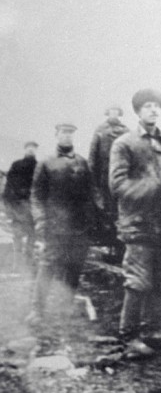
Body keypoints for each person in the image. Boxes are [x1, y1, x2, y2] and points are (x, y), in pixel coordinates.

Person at [109, 88, 161, 358]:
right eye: (148, 107)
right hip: (139, 223)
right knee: (138, 281)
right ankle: (129, 338)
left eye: (157, 106)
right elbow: (118, 184)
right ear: (138, 111)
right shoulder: (125, 143)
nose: (154, 110)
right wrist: (152, 188)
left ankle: (151, 332)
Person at [29, 123, 94, 325]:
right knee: (47, 266)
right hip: (54, 226)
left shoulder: (82, 163)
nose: (67, 136)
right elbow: (37, 196)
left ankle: (66, 308)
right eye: (63, 133)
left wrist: (91, 220)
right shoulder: (46, 162)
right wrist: (40, 220)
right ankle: (37, 310)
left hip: (78, 227)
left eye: (70, 133)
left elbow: (90, 195)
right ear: (56, 135)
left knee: (75, 267)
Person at [88, 104, 129, 246]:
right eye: (111, 111)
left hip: (121, 174)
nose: (114, 114)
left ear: (119, 113)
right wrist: (92, 174)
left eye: (116, 111)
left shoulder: (126, 131)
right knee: (104, 206)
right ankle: (105, 239)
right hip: (103, 175)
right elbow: (93, 154)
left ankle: (119, 241)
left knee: (120, 206)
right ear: (108, 113)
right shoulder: (100, 130)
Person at [3, 141, 39, 272]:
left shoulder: (39, 166)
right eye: (28, 147)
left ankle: (28, 264)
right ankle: (16, 265)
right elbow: (8, 188)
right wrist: (9, 210)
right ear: (25, 149)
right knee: (17, 237)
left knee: (32, 238)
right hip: (18, 208)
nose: (31, 150)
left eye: (33, 148)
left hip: (32, 209)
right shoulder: (16, 165)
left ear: (36, 150)